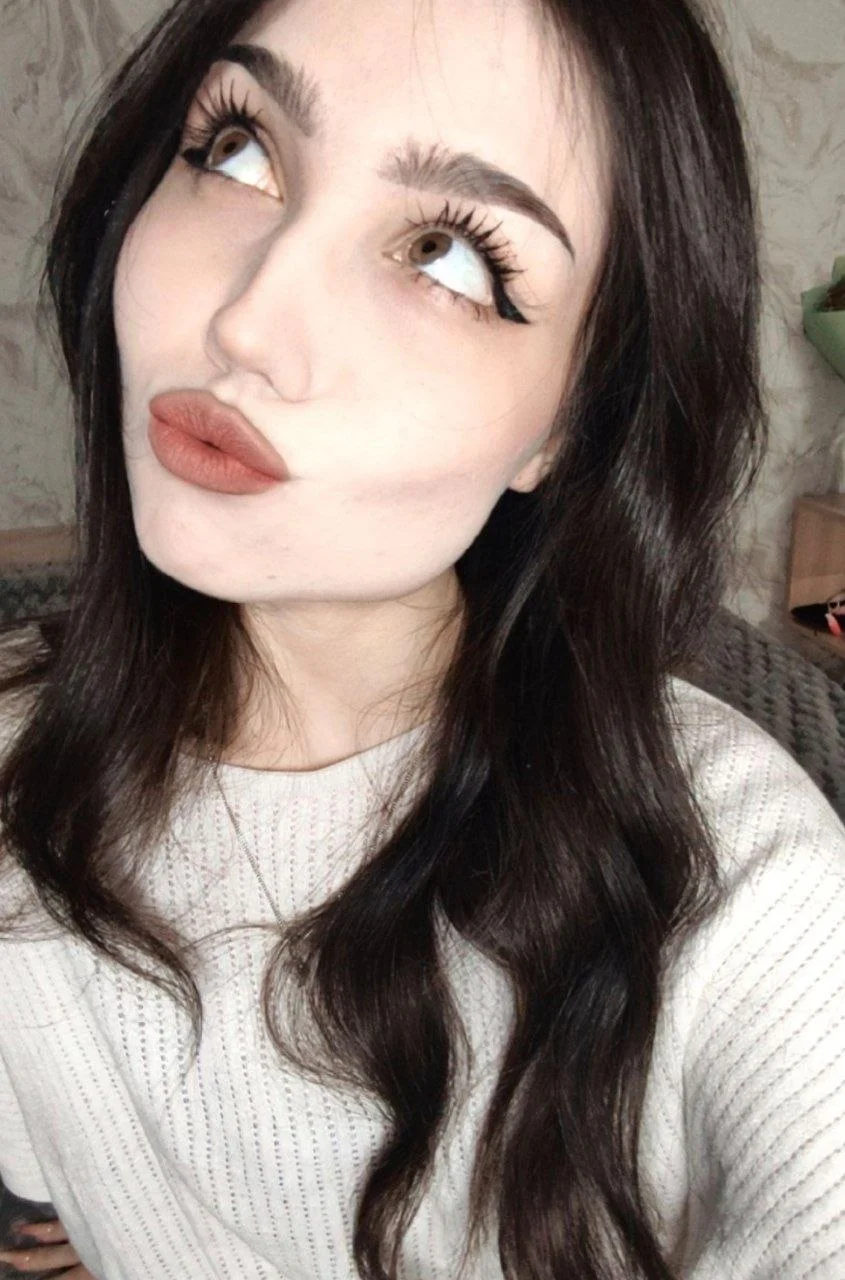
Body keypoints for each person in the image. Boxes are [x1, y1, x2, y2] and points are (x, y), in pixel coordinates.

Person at [0, 0, 844, 1275]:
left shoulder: (741, 883)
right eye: (237, 147)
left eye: (448, 256)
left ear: (566, 424)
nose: (248, 321)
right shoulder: (20, 760)